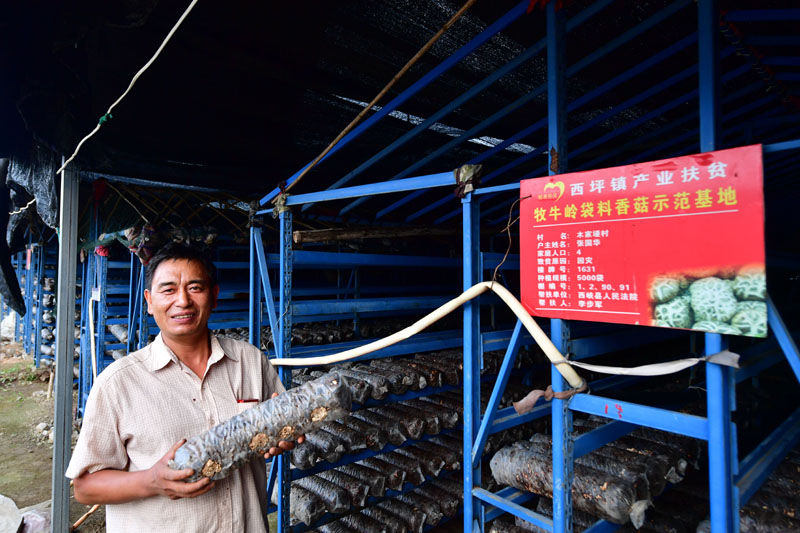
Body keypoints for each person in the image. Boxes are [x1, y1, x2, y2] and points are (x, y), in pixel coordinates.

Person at [66, 242, 297, 532]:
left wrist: (282, 436)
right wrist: (151, 480)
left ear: (214, 296)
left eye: (195, 288)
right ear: (149, 301)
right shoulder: (118, 383)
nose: (183, 301)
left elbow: (282, 429)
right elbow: (85, 488)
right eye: (169, 289)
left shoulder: (250, 361)